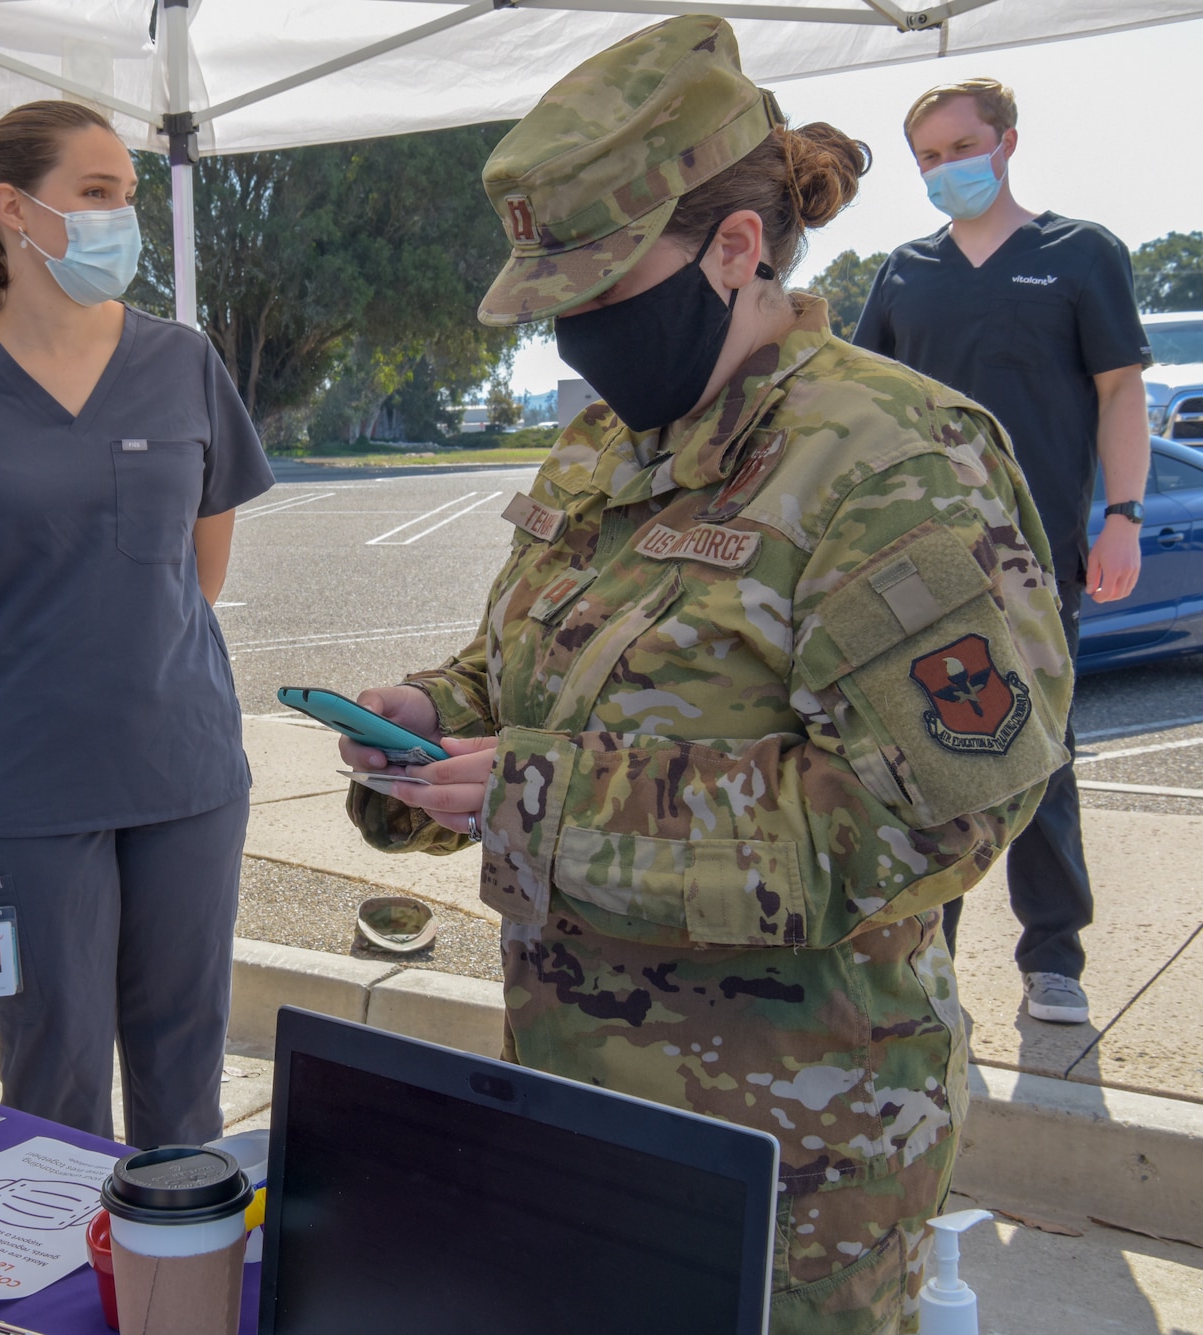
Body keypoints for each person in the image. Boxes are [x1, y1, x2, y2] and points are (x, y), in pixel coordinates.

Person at [338, 18, 1070, 1333]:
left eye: (601, 294)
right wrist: (433, 717)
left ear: (736, 249)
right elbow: (534, 675)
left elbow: (928, 820)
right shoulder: (603, 446)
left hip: (795, 1154)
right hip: (576, 1092)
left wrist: (540, 798)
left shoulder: (891, 462)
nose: (573, 337)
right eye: (552, 302)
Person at [0, 102, 273, 1149]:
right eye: (95, 194)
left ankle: (181, 1291)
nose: (118, 218)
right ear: (14, 208)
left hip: (181, 774)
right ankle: (59, 1294)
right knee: (52, 1077)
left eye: (126, 196)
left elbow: (198, 569)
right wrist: (0, 689)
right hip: (16, 792)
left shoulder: (182, 363)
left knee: (183, 1070)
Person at [854, 79, 1153, 1027]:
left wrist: (1124, 517)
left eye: (960, 147)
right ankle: (924, 956)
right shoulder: (905, 272)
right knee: (923, 749)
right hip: (920, 561)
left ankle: (1053, 955)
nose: (947, 168)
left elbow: (1119, 394)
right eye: (929, 158)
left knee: (1040, 752)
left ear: (1008, 142)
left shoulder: (1081, 255)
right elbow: (863, 413)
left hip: (1036, 559)